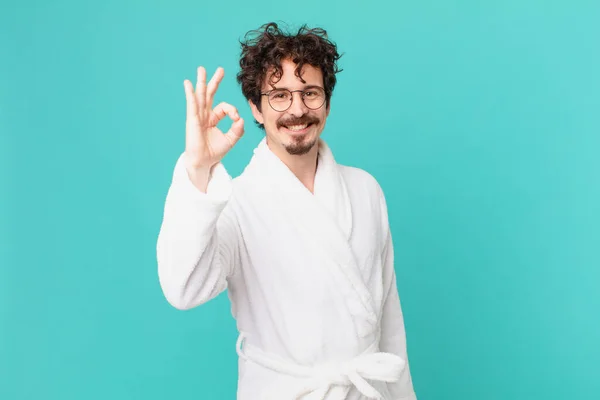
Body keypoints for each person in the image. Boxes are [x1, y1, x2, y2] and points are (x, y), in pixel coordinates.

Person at [157, 22, 417, 400]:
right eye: (279, 95)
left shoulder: (365, 190)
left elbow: (390, 328)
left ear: (327, 102)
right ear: (256, 108)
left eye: (310, 93)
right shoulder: (234, 201)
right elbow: (184, 289)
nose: (297, 110)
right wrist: (198, 170)